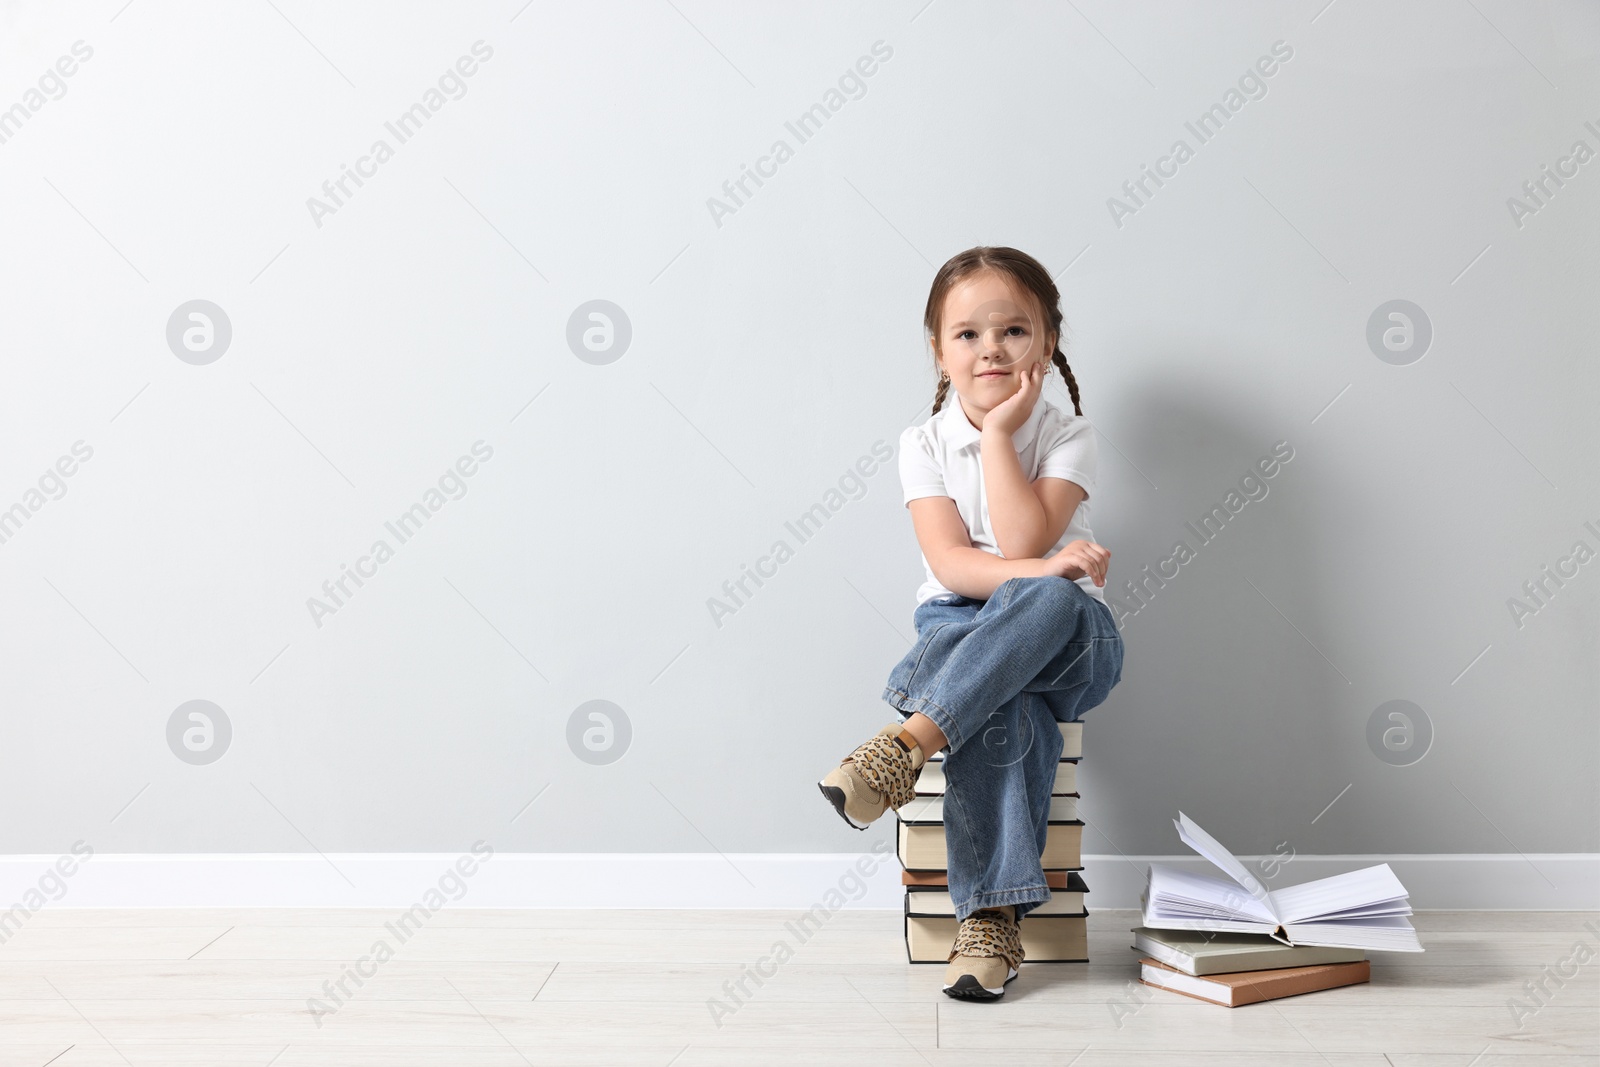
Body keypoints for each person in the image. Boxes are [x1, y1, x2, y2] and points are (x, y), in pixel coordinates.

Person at [817, 245, 1124, 1001]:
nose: (991, 348)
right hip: (960, 623)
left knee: (1051, 599)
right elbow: (954, 566)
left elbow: (1020, 544)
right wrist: (1048, 566)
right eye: (967, 335)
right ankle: (990, 920)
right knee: (1001, 708)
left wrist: (996, 436)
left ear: (1047, 344)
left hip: (1067, 641)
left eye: (1013, 331)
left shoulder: (1067, 433)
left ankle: (902, 747)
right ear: (938, 351)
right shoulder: (919, 445)